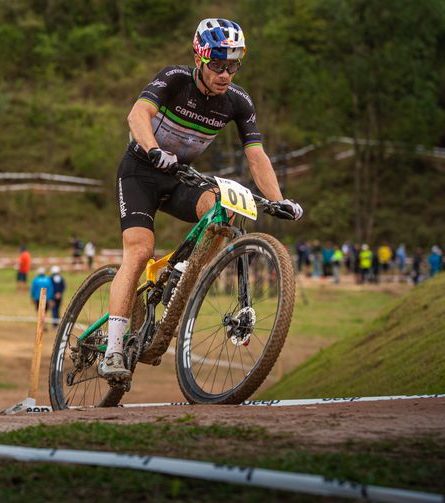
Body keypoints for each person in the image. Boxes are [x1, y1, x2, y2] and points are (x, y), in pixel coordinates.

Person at [100, 18, 302, 381]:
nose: (226, 73)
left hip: (180, 177)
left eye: (234, 65)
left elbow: (255, 155)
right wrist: (152, 148)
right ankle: (113, 350)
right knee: (140, 250)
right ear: (200, 58)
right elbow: (137, 114)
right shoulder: (175, 79)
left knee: (219, 212)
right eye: (218, 65)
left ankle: (183, 275)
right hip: (141, 172)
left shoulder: (238, 102)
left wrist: (279, 200)